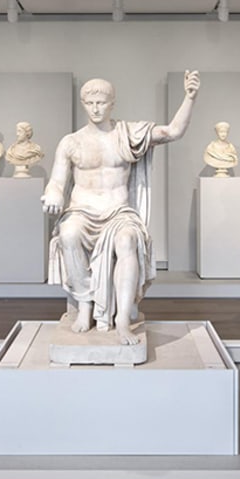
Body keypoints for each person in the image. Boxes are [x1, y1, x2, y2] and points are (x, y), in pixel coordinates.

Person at [43, 70, 200, 345]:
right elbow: (57, 181)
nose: (95, 108)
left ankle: (123, 320)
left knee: (127, 241)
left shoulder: (128, 134)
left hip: (119, 212)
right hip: (82, 211)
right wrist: (53, 193)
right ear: (83, 104)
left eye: (101, 103)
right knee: (67, 234)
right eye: (90, 103)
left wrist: (189, 97)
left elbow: (172, 131)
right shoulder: (71, 142)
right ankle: (85, 304)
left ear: (112, 103)